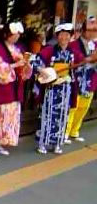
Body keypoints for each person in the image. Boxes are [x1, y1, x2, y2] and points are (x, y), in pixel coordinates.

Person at [0, 22, 33, 156]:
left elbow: (23, 70)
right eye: (14, 34)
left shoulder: (18, 49)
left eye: (18, 34)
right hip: (0, 87)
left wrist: (26, 65)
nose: (16, 37)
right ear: (6, 34)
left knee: (9, 117)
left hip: (14, 88)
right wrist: (16, 65)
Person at [34, 23, 75, 154]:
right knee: (48, 115)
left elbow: (76, 68)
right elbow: (35, 61)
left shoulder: (71, 53)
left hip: (65, 88)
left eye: (67, 35)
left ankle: (57, 143)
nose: (64, 37)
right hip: (52, 88)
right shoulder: (50, 50)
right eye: (62, 35)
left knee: (63, 117)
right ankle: (42, 143)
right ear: (57, 36)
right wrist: (42, 71)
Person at [65, 16, 96, 143]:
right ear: (83, 30)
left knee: (84, 107)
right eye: (90, 30)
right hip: (76, 79)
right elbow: (73, 60)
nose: (92, 33)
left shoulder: (95, 44)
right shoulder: (73, 45)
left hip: (90, 79)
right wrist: (89, 59)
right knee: (73, 106)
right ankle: (66, 132)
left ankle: (74, 130)